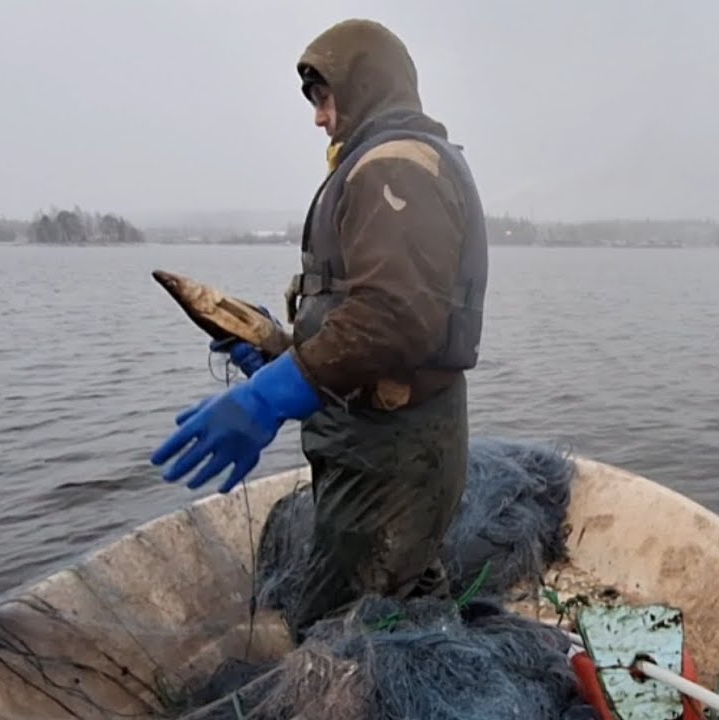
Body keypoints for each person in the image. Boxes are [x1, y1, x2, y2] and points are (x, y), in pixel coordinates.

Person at [150, 18, 488, 638]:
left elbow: (396, 317)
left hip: (393, 456)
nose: (318, 117)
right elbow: (367, 316)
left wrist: (271, 395)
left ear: (367, 86)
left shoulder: (396, 166)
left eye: (325, 98)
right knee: (399, 593)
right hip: (374, 443)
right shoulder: (380, 164)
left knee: (345, 626)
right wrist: (278, 352)